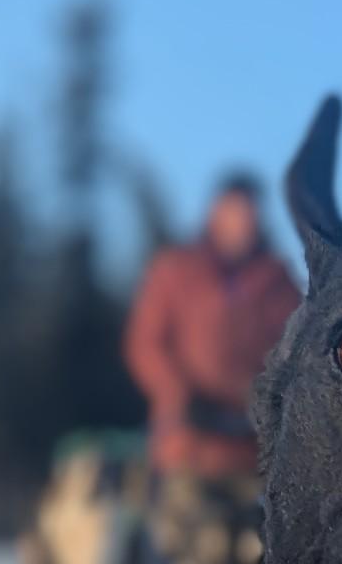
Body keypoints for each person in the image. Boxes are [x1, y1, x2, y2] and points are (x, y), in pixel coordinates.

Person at [122, 171, 301, 482]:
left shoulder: (278, 281)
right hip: (186, 447)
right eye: (234, 213)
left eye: (249, 215)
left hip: (254, 454)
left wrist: (267, 403)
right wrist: (178, 395)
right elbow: (146, 344)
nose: (243, 223)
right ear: (215, 213)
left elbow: (298, 351)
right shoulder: (175, 271)